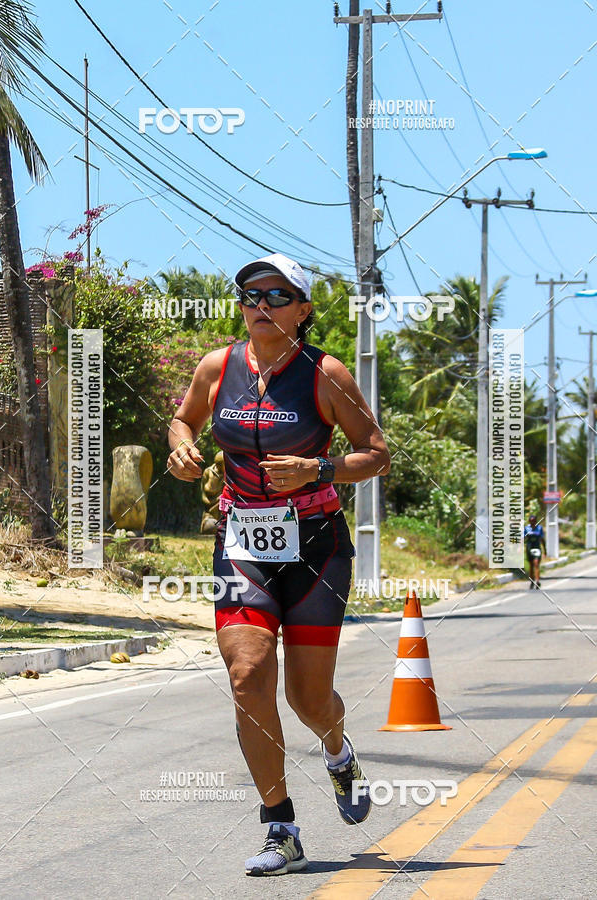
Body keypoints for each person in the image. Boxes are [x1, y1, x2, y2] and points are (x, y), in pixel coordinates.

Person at [167, 252, 390, 877]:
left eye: (277, 295)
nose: (260, 305)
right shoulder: (218, 367)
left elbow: (375, 453)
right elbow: (182, 420)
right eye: (250, 295)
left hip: (316, 547)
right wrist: (183, 447)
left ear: (303, 309)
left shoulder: (325, 374)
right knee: (247, 673)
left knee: (308, 699)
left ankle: (338, 750)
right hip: (242, 541)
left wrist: (318, 469)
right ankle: (281, 827)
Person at [524, 514, 546, 588]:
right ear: (529, 521)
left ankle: (537, 581)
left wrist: (545, 550)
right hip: (529, 548)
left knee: (536, 564)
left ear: (536, 521)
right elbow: (523, 538)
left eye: (534, 521)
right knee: (531, 565)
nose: (532, 522)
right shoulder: (526, 528)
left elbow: (542, 539)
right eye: (531, 521)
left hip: (537, 548)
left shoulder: (539, 528)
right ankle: (532, 581)